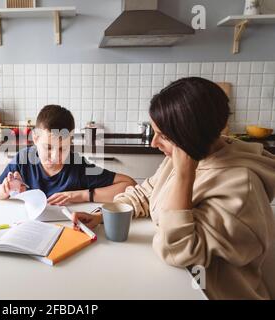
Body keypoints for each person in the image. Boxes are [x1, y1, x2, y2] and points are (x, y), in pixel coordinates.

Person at [73, 77, 275, 300]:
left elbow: (179, 252)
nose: (153, 143)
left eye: (164, 136)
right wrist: (102, 215)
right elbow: (145, 193)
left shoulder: (239, 186)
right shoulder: (184, 155)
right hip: (178, 284)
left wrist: (184, 176)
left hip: (210, 293)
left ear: (189, 137)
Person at [0, 105, 136, 205]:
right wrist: (5, 190)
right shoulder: (22, 160)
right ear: (36, 138)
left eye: (62, 149)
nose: (55, 156)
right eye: (48, 147)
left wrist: (82, 195)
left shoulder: (78, 166)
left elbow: (129, 185)